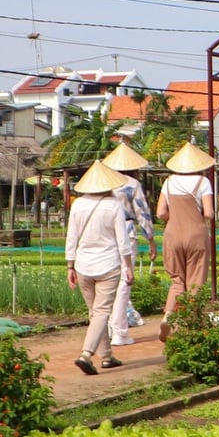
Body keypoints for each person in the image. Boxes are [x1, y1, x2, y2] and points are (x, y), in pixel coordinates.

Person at [66, 158, 131, 373]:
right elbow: (123, 241)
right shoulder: (114, 206)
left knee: (96, 313)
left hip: (83, 265)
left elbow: (71, 237)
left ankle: (107, 356)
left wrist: (70, 266)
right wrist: (128, 266)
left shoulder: (78, 204)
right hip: (108, 264)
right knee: (102, 311)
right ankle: (86, 354)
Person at [155, 143, 215, 332]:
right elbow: (209, 213)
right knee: (196, 281)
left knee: (177, 280)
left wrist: (175, 219)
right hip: (196, 234)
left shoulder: (169, 182)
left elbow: (160, 213)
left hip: (172, 234)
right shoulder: (203, 182)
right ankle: (192, 323)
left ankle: (168, 316)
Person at [104, 142, 153, 348]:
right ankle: (119, 331)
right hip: (126, 230)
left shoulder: (104, 183)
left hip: (104, 234)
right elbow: (143, 213)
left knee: (107, 281)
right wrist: (151, 240)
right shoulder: (132, 184)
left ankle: (106, 327)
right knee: (125, 280)